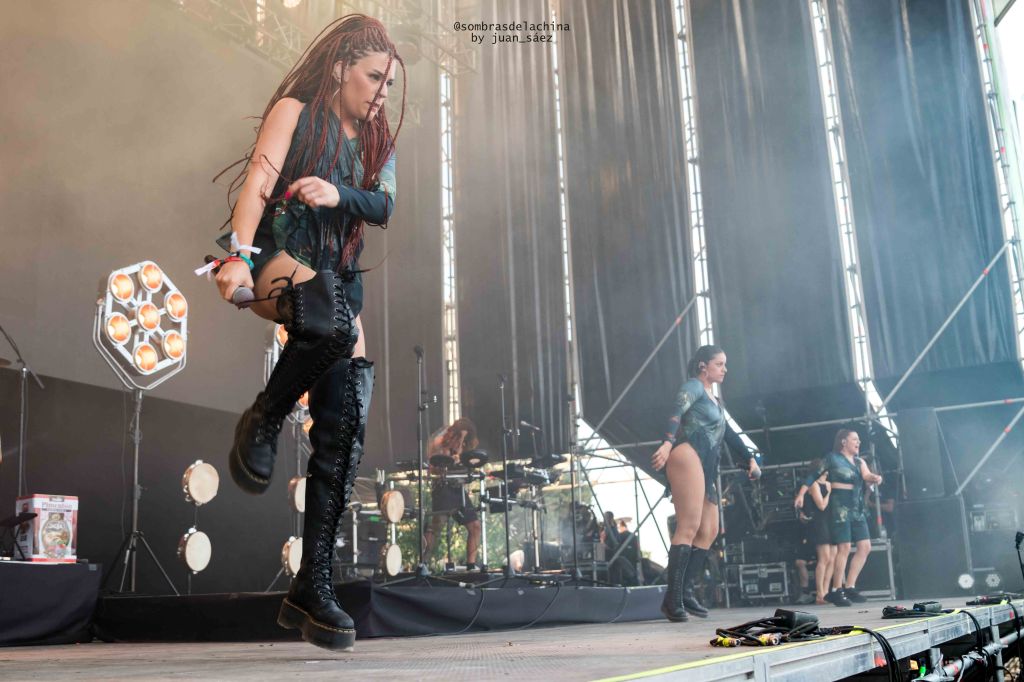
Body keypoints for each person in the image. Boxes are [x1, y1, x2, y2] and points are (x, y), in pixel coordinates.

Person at [213, 14, 404, 651]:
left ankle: (312, 585)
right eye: (373, 78)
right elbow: (257, 184)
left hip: (338, 282)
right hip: (277, 256)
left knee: (345, 424)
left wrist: (337, 193)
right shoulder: (296, 111)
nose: (381, 93)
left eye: (390, 83)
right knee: (331, 318)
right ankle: (263, 417)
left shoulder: (378, 140)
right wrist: (236, 256)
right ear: (342, 68)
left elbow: (384, 204)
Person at [651, 345, 761, 622]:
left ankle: (685, 592)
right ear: (703, 366)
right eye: (719, 364)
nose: (725, 369)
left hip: (706, 464)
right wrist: (667, 443)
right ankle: (673, 599)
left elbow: (729, 433)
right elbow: (676, 410)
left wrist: (749, 458)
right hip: (688, 453)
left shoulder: (714, 400)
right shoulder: (694, 387)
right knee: (688, 526)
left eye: (725, 364)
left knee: (709, 530)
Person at [797, 429, 882, 605]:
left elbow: (866, 475)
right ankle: (836, 589)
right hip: (839, 508)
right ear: (844, 442)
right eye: (854, 439)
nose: (858, 442)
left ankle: (849, 586)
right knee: (844, 547)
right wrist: (801, 494)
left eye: (859, 440)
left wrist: (875, 477)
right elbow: (813, 476)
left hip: (857, 508)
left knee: (865, 547)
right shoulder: (832, 458)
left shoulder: (859, 461)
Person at [423, 418, 483, 569]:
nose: (461, 441)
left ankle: (471, 565)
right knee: (435, 528)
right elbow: (433, 467)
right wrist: (450, 460)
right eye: (459, 436)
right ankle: (423, 563)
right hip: (443, 488)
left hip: (458, 488)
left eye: (465, 438)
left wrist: (463, 454)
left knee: (475, 526)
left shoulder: (465, 444)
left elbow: (468, 463)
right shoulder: (439, 441)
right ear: (453, 433)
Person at [794, 465, 837, 605]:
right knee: (824, 558)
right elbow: (821, 505)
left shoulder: (829, 483)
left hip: (831, 522)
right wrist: (829, 493)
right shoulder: (814, 484)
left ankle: (826, 591)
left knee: (832, 558)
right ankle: (820, 593)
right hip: (820, 523)